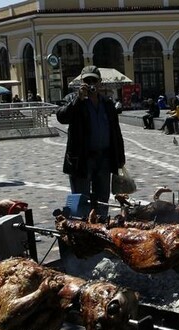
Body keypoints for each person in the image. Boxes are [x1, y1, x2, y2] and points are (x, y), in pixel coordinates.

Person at [56, 65, 126, 217]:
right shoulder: (72, 100)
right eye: (87, 80)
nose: (91, 84)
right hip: (82, 160)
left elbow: (116, 132)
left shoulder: (107, 104)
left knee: (102, 200)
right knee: (81, 200)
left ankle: (100, 229)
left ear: (100, 82)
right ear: (81, 82)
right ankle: (82, 231)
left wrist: (120, 158)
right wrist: (78, 99)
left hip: (104, 159)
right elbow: (62, 117)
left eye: (94, 80)